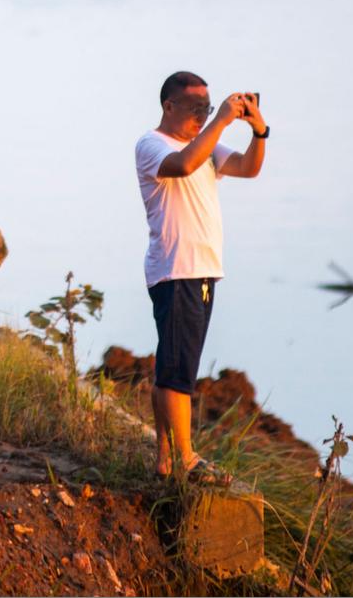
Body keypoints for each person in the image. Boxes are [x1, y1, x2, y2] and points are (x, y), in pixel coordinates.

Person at [135, 71, 269, 482]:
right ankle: (188, 460)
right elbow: (184, 164)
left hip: (203, 271)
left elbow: (248, 168)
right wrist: (220, 121)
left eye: (206, 108)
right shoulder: (152, 144)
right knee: (180, 372)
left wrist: (259, 131)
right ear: (168, 106)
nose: (202, 115)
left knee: (172, 367)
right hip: (178, 270)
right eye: (195, 108)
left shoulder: (206, 144)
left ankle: (165, 458)